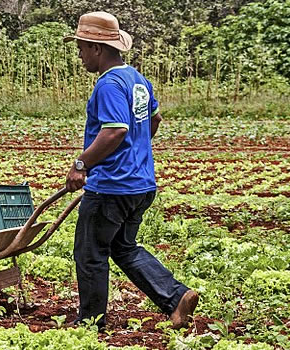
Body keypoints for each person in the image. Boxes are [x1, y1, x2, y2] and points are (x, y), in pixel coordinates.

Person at [62, 11, 198, 330]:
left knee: (90, 253)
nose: (80, 55)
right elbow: (154, 120)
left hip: (112, 187)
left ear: (97, 48)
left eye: (81, 47)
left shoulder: (108, 84)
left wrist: (81, 164)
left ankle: (90, 323)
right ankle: (175, 297)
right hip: (140, 185)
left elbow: (114, 131)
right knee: (123, 247)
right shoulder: (137, 80)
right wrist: (135, 153)